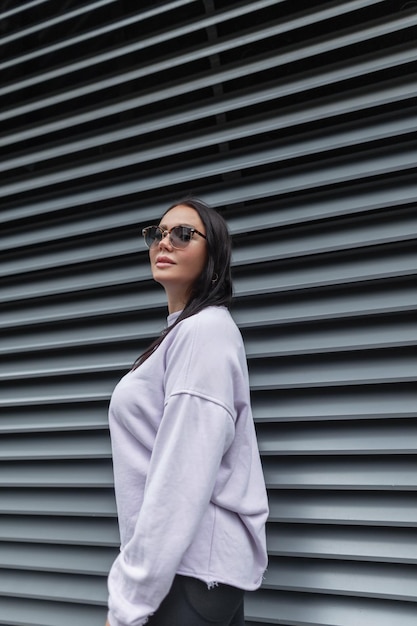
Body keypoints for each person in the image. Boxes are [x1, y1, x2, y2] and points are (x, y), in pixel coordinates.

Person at [106, 196, 269, 626]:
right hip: (197, 570)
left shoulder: (204, 332)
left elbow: (180, 478)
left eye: (183, 234)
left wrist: (129, 600)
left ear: (213, 254)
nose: (164, 242)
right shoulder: (184, 333)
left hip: (189, 570)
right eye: (157, 234)